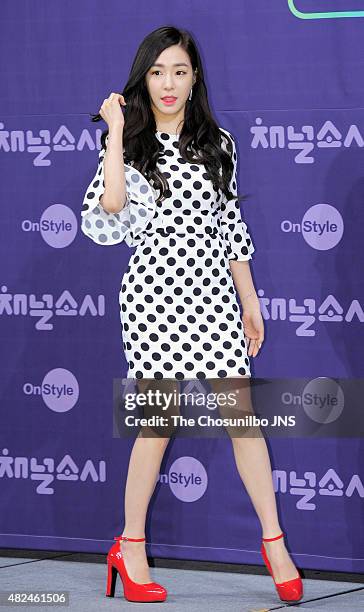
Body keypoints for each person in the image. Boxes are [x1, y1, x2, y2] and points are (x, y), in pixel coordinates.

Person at [81, 25, 303, 605]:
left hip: (212, 295)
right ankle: (130, 549)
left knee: (244, 420)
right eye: (157, 72)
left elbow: (230, 227)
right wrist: (114, 133)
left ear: (195, 76)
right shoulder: (128, 142)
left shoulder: (218, 143)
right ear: (143, 79)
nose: (169, 83)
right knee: (154, 427)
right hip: (154, 298)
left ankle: (274, 543)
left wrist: (249, 301)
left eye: (179, 71)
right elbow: (109, 209)